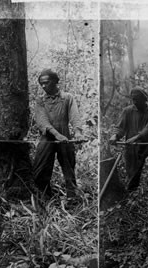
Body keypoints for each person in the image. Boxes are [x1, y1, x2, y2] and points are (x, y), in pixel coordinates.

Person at [33, 69, 83, 198]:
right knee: (41, 168)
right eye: (41, 84)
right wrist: (56, 135)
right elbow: (42, 121)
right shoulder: (40, 100)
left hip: (65, 136)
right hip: (47, 138)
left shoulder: (67, 98)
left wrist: (77, 132)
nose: (43, 86)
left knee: (69, 168)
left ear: (55, 81)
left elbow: (74, 116)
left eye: (46, 82)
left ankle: (73, 199)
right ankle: (44, 198)